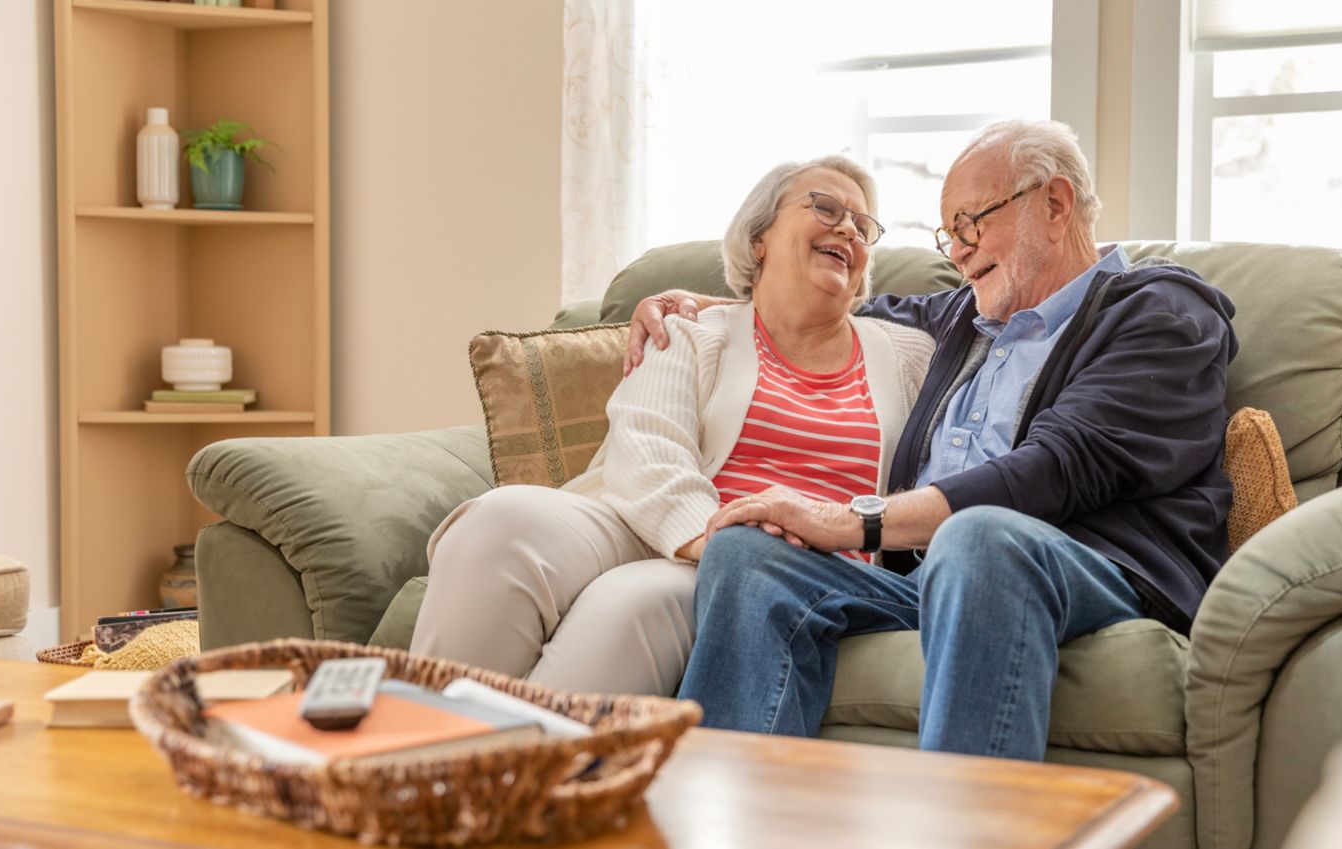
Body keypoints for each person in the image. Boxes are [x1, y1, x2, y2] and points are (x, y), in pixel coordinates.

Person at [626, 120, 1238, 758]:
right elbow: (819, 307)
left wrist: (856, 521)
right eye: (951, 236)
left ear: (1054, 205)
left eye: (972, 223)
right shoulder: (963, 317)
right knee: (747, 555)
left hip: (1083, 567)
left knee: (979, 537)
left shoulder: (1162, 311)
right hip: (923, 581)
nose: (960, 252)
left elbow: (1061, 467)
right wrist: (692, 304)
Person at [410, 155, 933, 697]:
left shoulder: (908, 354)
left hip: (780, 570)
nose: (847, 227)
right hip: (645, 524)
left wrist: (738, 559)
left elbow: (1006, 332)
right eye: (825, 207)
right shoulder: (689, 331)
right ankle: (406, 755)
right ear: (759, 238)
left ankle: (510, 775)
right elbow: (647, 453)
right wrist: (719, 542)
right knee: (501, 520)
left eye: (862, 225)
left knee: (629, 605)